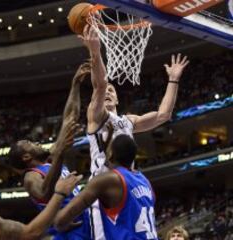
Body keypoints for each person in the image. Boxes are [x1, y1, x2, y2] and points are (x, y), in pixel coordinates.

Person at [79, 24, 190, 239]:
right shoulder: (96, 116)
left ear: (119, 99)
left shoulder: (128, 121)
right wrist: (94, 51)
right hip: (103, 187)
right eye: (105, 91)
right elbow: (100, 84)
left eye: (113, 90)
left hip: (128, 187)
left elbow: (163, 115)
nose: (108, 92)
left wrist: (173, 79)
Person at [8, 62, 92, 239]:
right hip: (68, 231)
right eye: (30, 143)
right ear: (26, 156)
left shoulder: (51, 156)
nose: (37, 142)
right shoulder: (31, 177)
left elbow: (70, 117)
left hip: (84, 221)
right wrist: (60, 154)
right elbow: (45, 194)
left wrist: (75, 85)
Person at [54, 134, 158, 240]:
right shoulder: (145, 181)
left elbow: (59, 222)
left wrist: (60, 194)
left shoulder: (107, 180)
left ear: (111, 154)